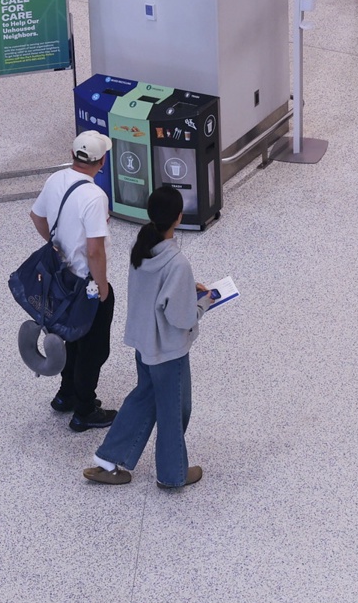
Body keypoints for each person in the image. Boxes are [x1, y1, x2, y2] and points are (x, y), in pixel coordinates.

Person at [83, 185, 205, 490]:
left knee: (145, 397)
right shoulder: (177, 263)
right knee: (175, 408)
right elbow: (181, 317)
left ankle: (108, 460)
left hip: (144, 342)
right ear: (178, 217)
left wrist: (186, 291)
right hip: (167, 350)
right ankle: (172, 473)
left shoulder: (141, 246)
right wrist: (203, 303)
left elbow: (156, 294)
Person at [31, 131, 116, 431]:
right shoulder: (95, 196)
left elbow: (37, 216)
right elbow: (95, 250)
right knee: (93, 348)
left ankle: (65, 395)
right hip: (84, 282)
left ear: (72, 154)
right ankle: (84, 410)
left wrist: (56, 246)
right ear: (102, 161)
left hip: (60, 276)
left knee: (71, 335)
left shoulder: (56, 179)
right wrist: (103, 287)